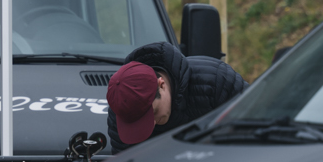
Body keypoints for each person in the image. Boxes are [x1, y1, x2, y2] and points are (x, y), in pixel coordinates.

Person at [105, 39, 247, 152]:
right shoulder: (121, 109)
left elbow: (253, 128)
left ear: (161, 85)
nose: (150, 126)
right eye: (137, 122)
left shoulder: (216, 81)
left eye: (153, 113)